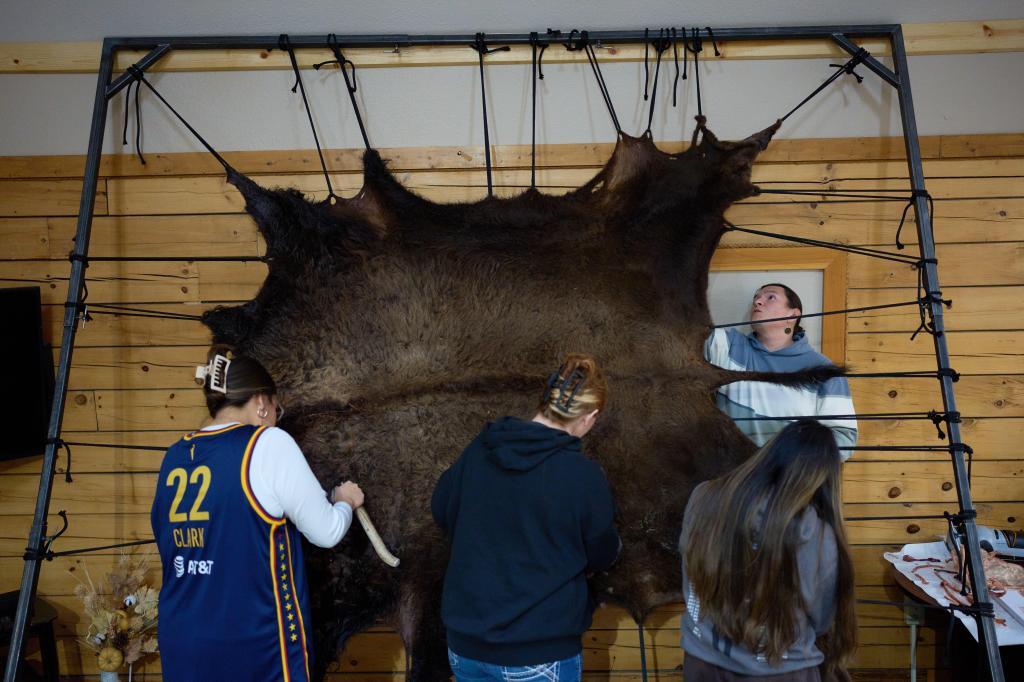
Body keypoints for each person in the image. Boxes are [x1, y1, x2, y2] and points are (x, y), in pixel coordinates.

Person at [151, 346, 364, 682]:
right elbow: (327, 532)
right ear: (262, 403)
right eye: (278, 407)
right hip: (251, 642)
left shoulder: (174, 455)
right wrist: (344, 502)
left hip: (182, 638)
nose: (277, 414)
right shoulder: (268, 443)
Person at [431, 353, 621, 682]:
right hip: (538, 652)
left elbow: (442, 509)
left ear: (545, 401)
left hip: (465, 648)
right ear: (589, 417)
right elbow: (602, 554)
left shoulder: (481, 449)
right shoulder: (583, 476)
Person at [678, 419, 857, 681]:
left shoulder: (703, 497)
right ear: (820, 478)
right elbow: (821, 619)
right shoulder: (813, 532)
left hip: (702, 661)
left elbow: (690, 577)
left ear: (770, 454)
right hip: (781, 670)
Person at [705, 283, 857, 456]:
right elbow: (685, 338)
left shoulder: (823, 370)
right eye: (756, 298)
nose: (758, 302)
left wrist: (788, 462)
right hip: (730, 477)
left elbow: (844, 438)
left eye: (770, 297)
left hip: (788, 480)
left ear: (793, 315)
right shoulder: (728, 345)